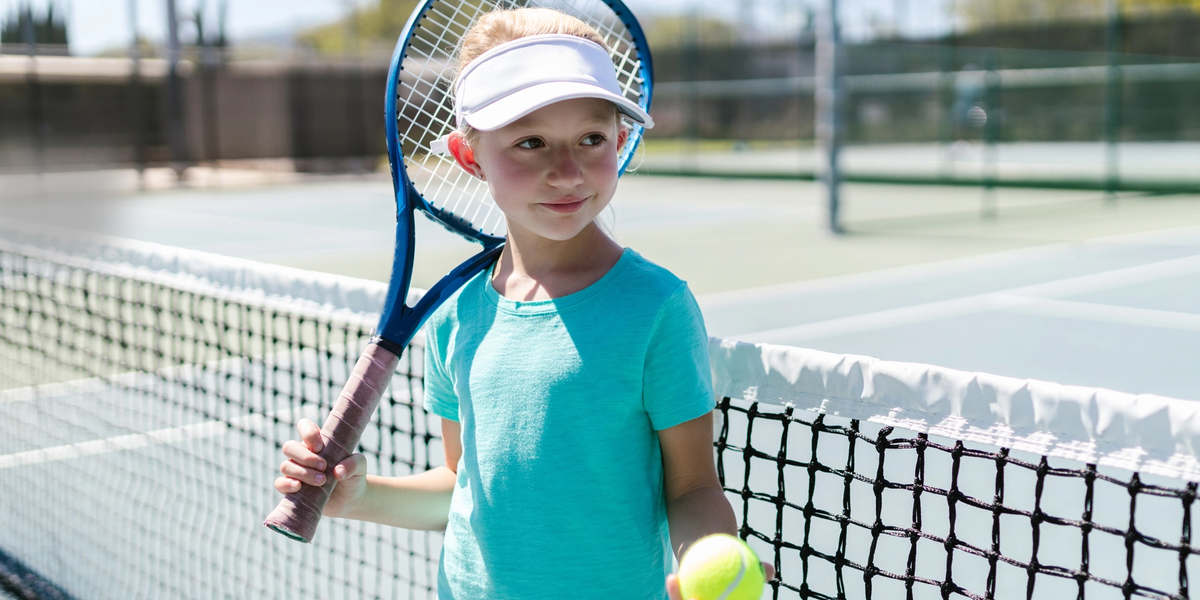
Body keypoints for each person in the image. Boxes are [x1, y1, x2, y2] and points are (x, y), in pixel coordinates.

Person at [274, 8, 772, 599]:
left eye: (591, 139)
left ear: (620, 140)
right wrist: (360, 496)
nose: (566, 172)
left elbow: (692, 488)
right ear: (469, 157)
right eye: (530, 142)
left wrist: (706, 568)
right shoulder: (457, 314)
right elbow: (463, 483)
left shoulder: (656, 308)